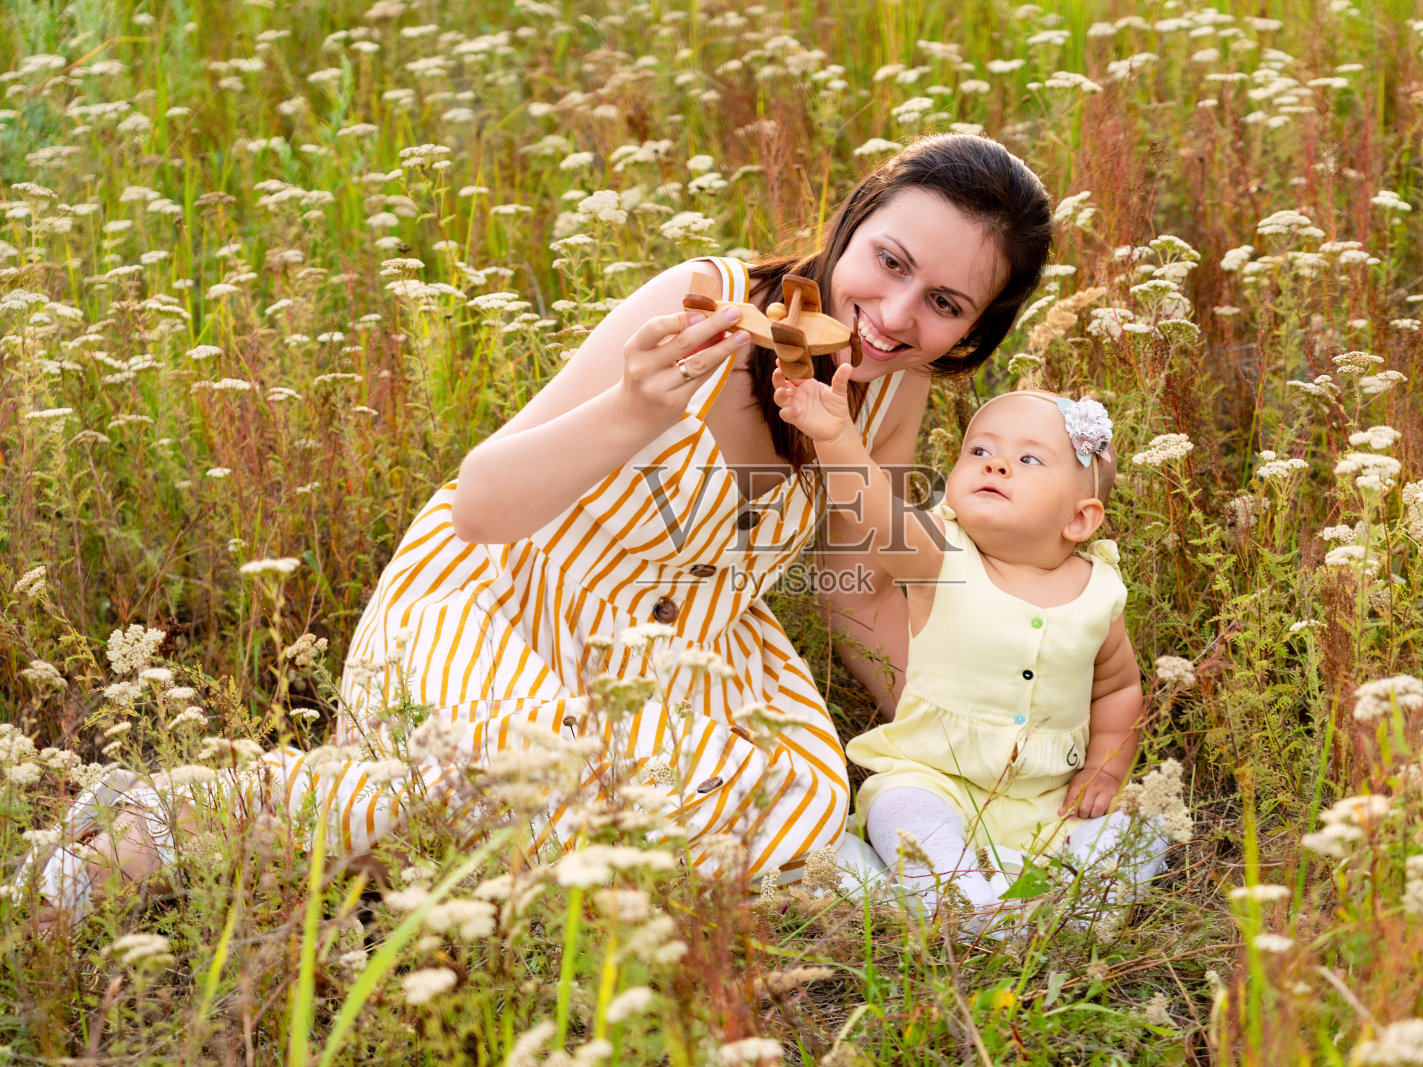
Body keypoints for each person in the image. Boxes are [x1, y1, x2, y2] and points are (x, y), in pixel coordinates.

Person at [24, 134, 1055, 922]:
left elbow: (860, 583)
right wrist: (634, 410)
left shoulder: (891, 388)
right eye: (888, 261)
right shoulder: (701, 301)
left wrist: (950, 736)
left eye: (943, 302)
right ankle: (190, 810)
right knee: (532, 785)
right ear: (853, 219)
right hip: (504, 602)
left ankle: (395, 829)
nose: (893, 314)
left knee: (795, 805)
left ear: (976, 331)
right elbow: (482, 501)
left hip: (682, 662)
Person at [773, 375, 1151, 919]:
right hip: (931, 782)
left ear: (1079, 518)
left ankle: (1059, 905)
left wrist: (1105, 771)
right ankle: (971, 908)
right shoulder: (938, 554)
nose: (996, 465)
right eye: (979, 451)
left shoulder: (1098, 593)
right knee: (907, 817)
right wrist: (835, 436)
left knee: (1136, 833)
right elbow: (874, 509)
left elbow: (1118, 688)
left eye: (1029, 460)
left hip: (1047, 803)